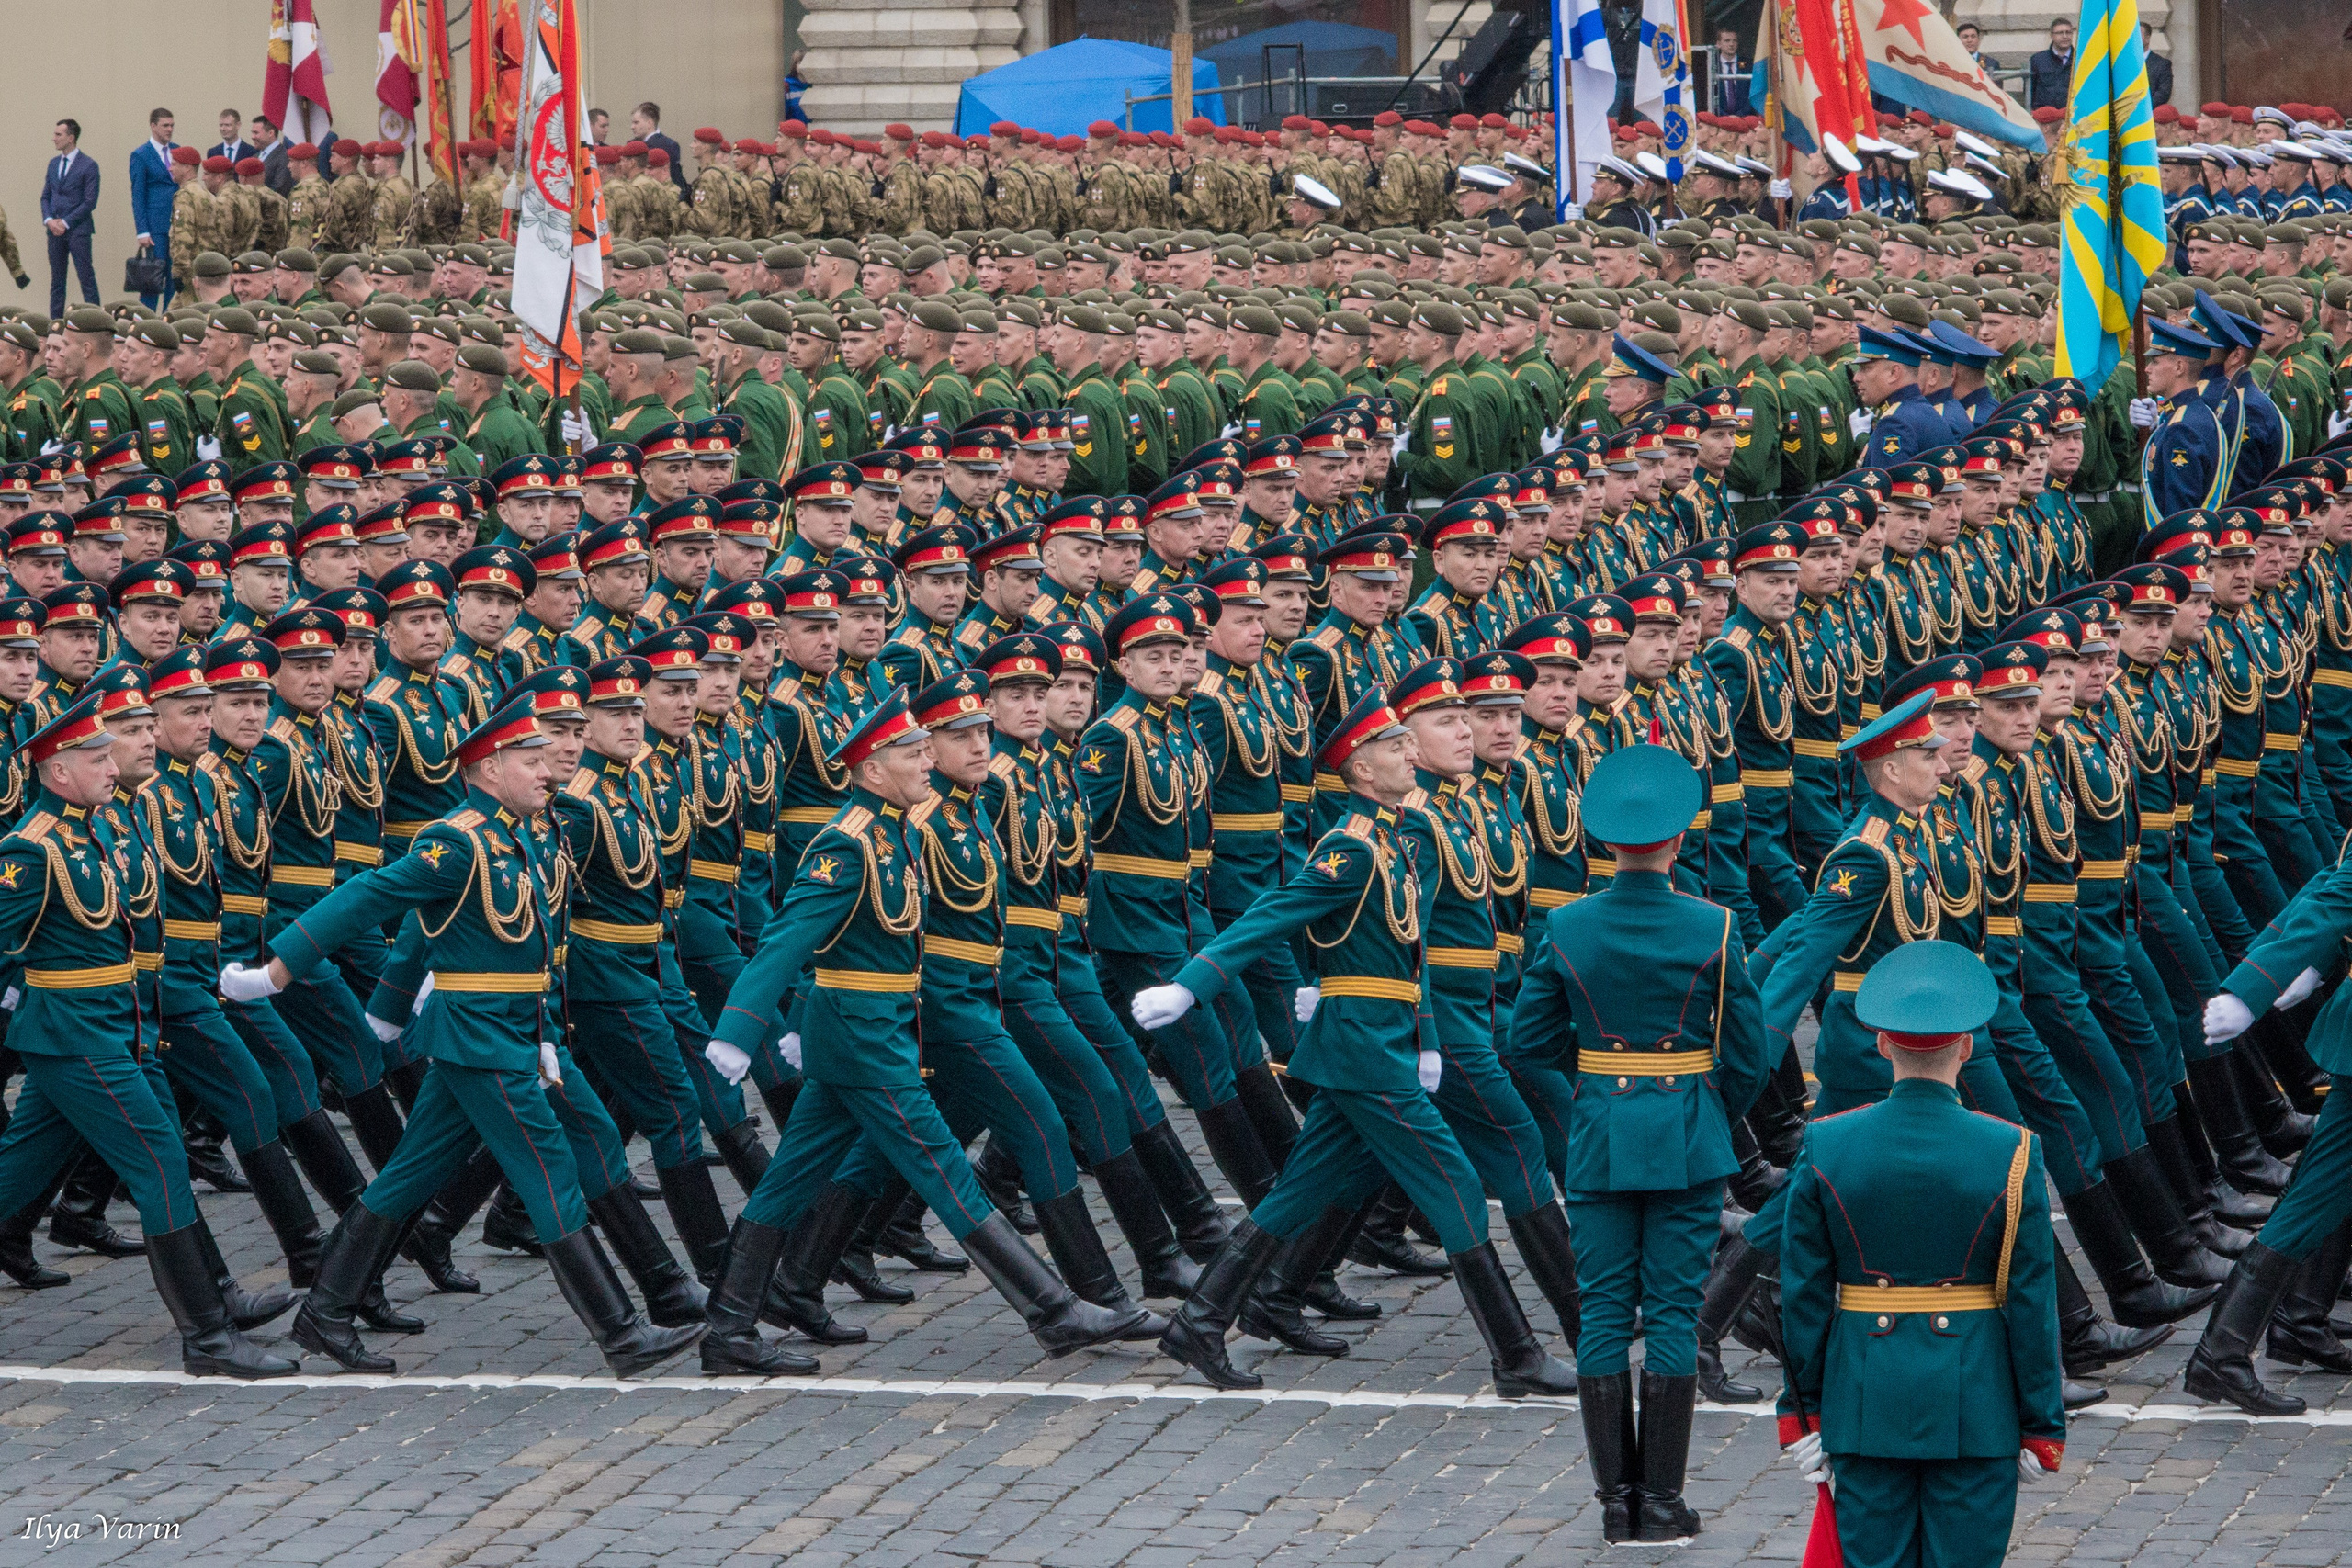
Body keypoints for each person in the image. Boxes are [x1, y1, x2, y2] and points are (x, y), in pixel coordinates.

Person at [1510, 742, 1770, 1544]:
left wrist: (1594, 1078)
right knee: (1672, 1311)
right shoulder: (1714, 924)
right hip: (1687, 1131)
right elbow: (1751, 1053)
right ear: (1680, 837)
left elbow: (1528, 1041)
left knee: (1601, 1312)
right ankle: (1660, 1499)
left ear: (1602, 838)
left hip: (1599, 1134)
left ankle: (1612, 1501)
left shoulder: (1568, 924)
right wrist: (1702, 1102)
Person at [1777, 941, 2067, 1568]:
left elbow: (1801, 1294)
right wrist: (2042, 1423)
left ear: (1880, 1044)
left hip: (1862, 1400)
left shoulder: (1826, 1143)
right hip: (1978, 1405)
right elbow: (2032, 1300)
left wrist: (1800, 1413)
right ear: (1966, 1046)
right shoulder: (2013, 1151)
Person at [40, 118, 100, 318]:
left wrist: (65, 222)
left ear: (71, 138)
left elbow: (89, 201)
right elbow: (46, 196)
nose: (54, 138)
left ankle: (96, 321)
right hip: (54, 230)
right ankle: (55, 324)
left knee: (86, 277)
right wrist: (49, 220)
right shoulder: (53, 164)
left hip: (78, 230)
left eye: (59, 135)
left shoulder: (89, 165)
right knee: (57, 281)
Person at [130, 107, 179, 310]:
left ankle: (170, 322)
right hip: (155, 227)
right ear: (153, 126)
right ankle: (146, 324)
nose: (169, 130)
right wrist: (142, 230)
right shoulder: (141, 155)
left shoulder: (177, 151)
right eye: (165, 125)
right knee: (152, 279)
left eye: (172, 125)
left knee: (174, 278)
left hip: (177, 225)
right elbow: (138, 195)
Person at [631, 102, 687, 198]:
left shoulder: (668, 146)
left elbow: (674, 177)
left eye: (636, 122)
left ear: (649, 123)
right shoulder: (633, 145)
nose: (632, 127)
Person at [2028, 19, 2076, 111]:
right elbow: (2030, 91)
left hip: (2074, 117)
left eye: (2068, 32)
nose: (2065, 36)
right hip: (2045, 118)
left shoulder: (2080, 59)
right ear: (2052, 36)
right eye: (2060, 33)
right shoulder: (2038, 60)